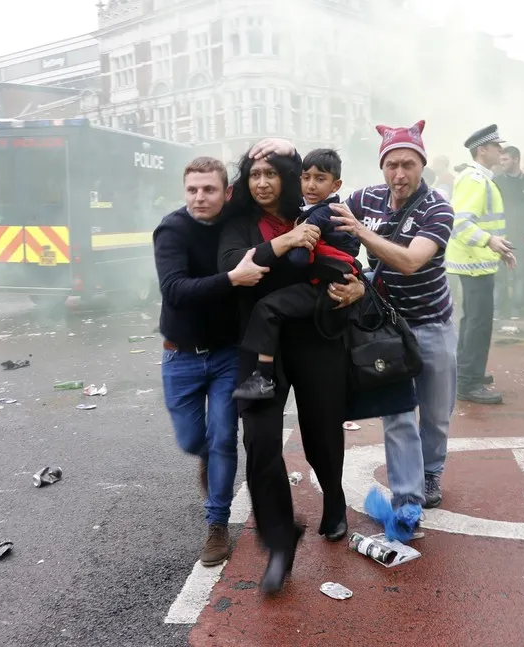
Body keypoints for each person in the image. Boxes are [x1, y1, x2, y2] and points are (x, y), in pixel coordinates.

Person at [219, 142, 365, 595]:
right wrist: (282, 244)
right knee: (260, 442)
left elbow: (355, 259)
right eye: (253, 175)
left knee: (322, 430)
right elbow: (232, 267)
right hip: (260, 348)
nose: (261, 182)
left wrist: (359, 287)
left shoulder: (314, 208)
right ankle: (280, 543)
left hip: (318, 337)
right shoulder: (239, 222)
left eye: (270, 173)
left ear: (288, 175)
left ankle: (334, 500)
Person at [330, 120, 458, 512]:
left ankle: (432, 471)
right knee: (397, 413)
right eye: (392, 165)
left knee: (436, 413)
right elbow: (334, 245)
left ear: (422, 165)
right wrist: (354, 279)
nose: (399, 174)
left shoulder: (438, 208)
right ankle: (409, 494)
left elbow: (409, 262)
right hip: (385, 326)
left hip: (431, 323)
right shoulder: (362, 200)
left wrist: (360, 233)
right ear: (382, 167)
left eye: (408, 164)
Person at [153, 156, 269, 568]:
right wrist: (232, 280)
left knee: (224, 438)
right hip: (180, 356)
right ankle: (209, 458)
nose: (199, 198)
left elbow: (273, 188)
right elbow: (176, 290)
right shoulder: (171, 230)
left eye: (209, 190)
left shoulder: (237, 222)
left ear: (227, 193)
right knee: (192, 440)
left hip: (225, 356)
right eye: (192, 190)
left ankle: (216, 524)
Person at [232, 149, 360, 400]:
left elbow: (300, 258)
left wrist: (288, 245)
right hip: (331, 282)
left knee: (267, 308)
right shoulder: (322, 209)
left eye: (320, 178)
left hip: (328, 286)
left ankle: (263, 377)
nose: (311, 185)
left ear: (336, 184)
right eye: (306, 177)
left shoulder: (321, 213)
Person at [446, 125, 515, 405]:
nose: (502, 150)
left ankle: (466, 371)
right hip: (474, 262)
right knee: (479, 322)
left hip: (477, 261)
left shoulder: (480, 178)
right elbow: (460, 223)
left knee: (473, 319)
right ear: (482, 149)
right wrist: (490, 242)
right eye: (497, 146)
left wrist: (498, 247)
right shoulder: (475, 179)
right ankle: (468, 382)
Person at [494, 145, 524, 320]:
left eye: (505, 159)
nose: (501, 162)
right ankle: (497, 308)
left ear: (516, 159)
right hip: (500, 233)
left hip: (521, 233)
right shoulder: (496, 181)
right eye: (501, 159)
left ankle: (516, 309)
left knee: (519, 273)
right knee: (499, 274)